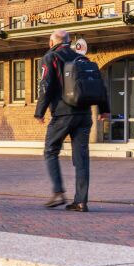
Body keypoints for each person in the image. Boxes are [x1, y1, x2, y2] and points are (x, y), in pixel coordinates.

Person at [35, 30, 110, 212]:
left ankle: (59, 192)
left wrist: (40, 111)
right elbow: (98, 83)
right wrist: (104, 109)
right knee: (82, 158)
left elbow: (46, 85)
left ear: (51, 41)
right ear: (68, 42)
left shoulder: (50, 57)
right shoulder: (81, 58)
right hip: (84, 115)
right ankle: (81, 201)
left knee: (51, 150)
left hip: (62, 114)